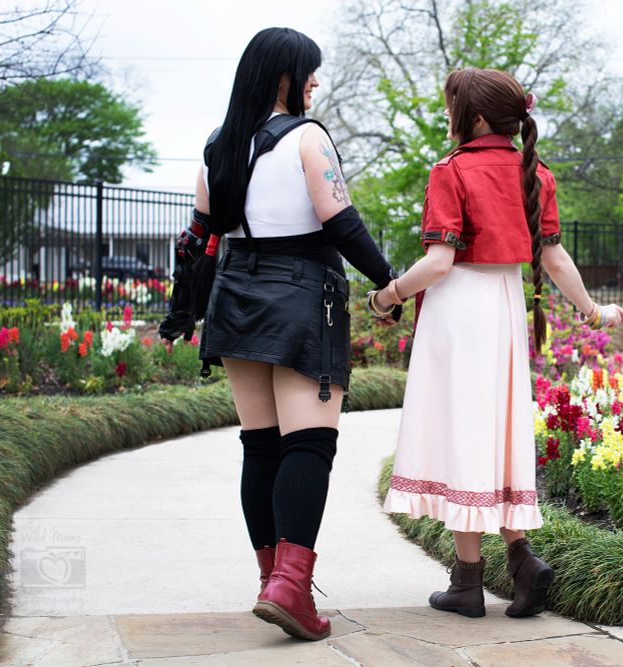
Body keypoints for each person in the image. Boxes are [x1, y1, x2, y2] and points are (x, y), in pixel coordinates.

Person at [159, 27, 399, 641]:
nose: (315, 82)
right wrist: (390, 283)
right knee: (308, 446)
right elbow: (340, 221)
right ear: (284, 77)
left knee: (261, 445)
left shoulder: (218, 144)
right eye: (309, 71)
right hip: (299, 297)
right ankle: (291, 589)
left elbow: (201, 233)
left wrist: (185, 311)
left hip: (234, 296)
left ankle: (272, 579)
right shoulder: (307, 139)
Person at [376, 68, 623, 619]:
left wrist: (387, 295)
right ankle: (521, 562)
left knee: (465, 434)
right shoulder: (536, 174)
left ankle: (468, 582)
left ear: (478, 117)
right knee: (498, 433)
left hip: (458, 310)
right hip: (506, 306)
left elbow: (439, 262)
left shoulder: (451, 171)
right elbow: (555, 259)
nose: (447, 116)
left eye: (452, 107)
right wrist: (594, 311)